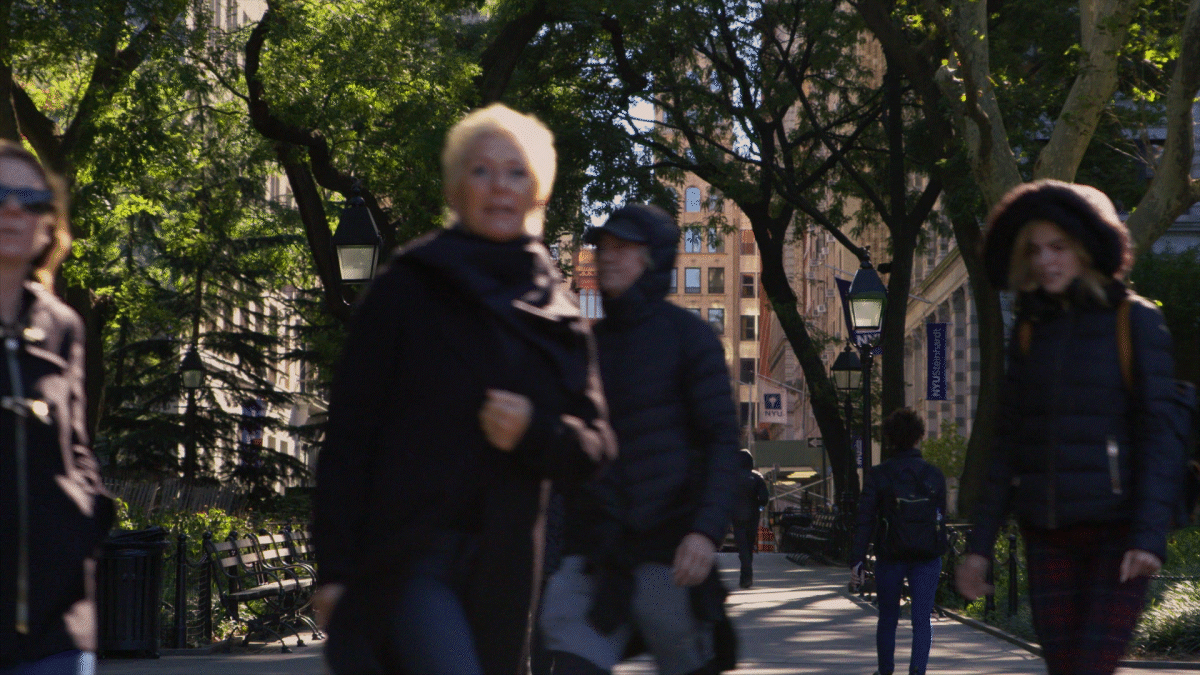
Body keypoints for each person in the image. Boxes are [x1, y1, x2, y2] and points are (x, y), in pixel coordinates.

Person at [312, 103, 617, 675]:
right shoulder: (405, 288)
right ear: (456, 189)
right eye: (481, 170)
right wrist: (333, 569)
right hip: (407, 555)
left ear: (538, 192)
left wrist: (535, 431)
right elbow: (349, 435)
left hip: (506, 567)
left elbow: (595, 448)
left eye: (516, 171)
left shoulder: (557, 310)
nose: (499, 186)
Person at [956, 180, 1184, 675]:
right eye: (1034, 249)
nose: (1045, 261)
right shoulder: (1030, 332)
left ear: (1085, 249)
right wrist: (977, 549)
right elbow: (1005, 444)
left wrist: (1148, 536)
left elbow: (1161, 435)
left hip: (1117, 536)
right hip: (1047, 533)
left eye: (1058, 247)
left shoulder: (1134, 321)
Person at [540, 204, 741, 675]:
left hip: (669, 553)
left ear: (653, 258)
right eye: (603, 246)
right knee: (570, 658)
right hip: (594, 556)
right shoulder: (582, 343)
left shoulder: (690, 338)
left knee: (687, 658)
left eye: (622, 248)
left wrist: (705, 532)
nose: (607, 257)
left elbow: (721, 442)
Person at [0, 140, 113, 675]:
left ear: (50, 222)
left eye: (30, 198)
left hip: (58, 624)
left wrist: (85, 520)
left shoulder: (62, 325)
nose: (14, 209)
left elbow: (76, 449)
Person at [850, 408, 947, 675]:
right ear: (919, 436)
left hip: (890, 554)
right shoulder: (933, 475)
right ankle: (917, 671)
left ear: (890, 439)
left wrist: (857, 559)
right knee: (922, 620)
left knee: (888, 617)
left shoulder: (879, 475)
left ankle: (885, 671)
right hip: (927, 555)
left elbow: (865, 519)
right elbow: (942, 517)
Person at [730, 449, 769, 589]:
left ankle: (745, 576)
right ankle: (746, 575)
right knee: (749, 544)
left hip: (737, 516)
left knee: (742, 547)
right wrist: (758, 505)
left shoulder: (732, 478)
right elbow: (764, 498)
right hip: (753, 516)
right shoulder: (757, 478)